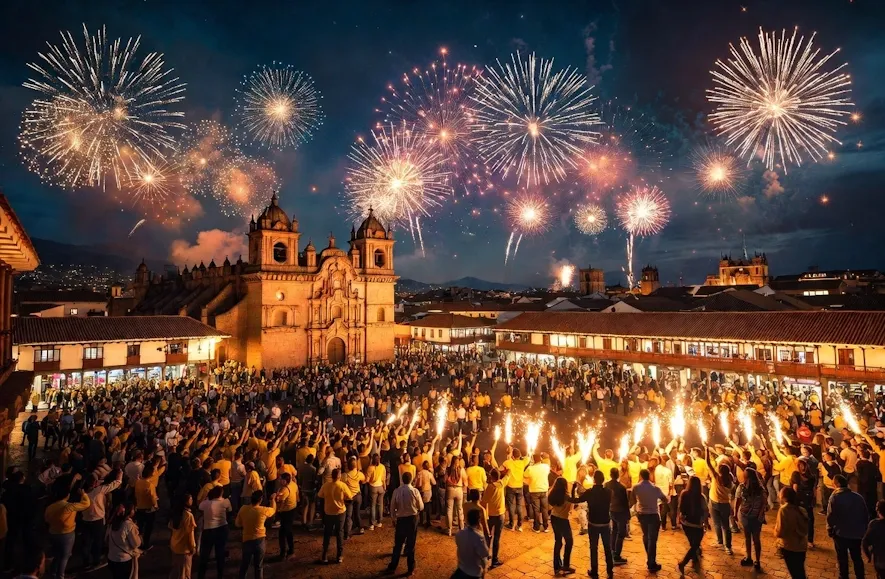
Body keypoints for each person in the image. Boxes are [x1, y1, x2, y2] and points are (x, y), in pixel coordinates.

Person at [44, 479, 91, 579]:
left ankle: (53, 573)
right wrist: (83, 494)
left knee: (57, 555)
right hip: (67, 534)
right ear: (67, 495)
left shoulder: (50, 507)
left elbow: (47, 519)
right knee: (65, 557)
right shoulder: (69, 507)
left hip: (53, 533)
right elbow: (86, 504)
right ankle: (61, 576)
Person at [571, 470, 613, 579]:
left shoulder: (590, 492)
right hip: (605, 523)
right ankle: (610, 571)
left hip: (593, 523)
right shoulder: (608, 492)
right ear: (603, 480)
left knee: (593, 548)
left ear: (594, 479)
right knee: (608, 548)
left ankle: (594, 571)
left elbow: (576, 500)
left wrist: (573, 489)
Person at [827, 474, 870, 579]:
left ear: (837, 484)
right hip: (856, 534)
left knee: (842, 559)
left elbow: (831, 516)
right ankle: (860, 576)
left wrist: (830, 529)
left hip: (841, 533)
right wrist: (863, 530)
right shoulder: (858, 497)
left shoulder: (835, 497)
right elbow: (866, 515)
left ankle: (843, 576)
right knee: (857, 558)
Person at [81, 468, 122, 569]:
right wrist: (120, 475)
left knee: (86, 542)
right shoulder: (98, 490)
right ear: (94, 483)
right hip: (97, 520)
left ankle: (85, 562)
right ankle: (96, 561)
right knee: (97, 541)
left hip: (85, 519)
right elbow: (116, 483)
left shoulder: (81, 493)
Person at [387, 471, 424, 576]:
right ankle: (410, 568)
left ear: (402, 480)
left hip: (401, 520)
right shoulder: (415, 491)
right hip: (412, 519)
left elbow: (392, 506)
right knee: (411, 544)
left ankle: (393, 566)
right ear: (411, 480)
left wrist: (393, 518)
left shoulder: (397, 491)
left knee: (398, 544)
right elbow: (421, 506)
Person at [235, 490, 276, 579]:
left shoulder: (243, 508)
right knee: (258, 566)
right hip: (259, 540)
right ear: (260, 500)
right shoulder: (263, 510)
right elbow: (273, 510)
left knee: (244, 564)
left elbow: (237, 524)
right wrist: (272, 500)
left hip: (247, 540)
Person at [633, 468, 667, 572]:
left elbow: (632, 500)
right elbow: (665, 499)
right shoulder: (655, 488)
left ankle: (650, 558)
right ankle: (651, 562)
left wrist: (636, 511)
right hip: (653, 514)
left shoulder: (636, 487)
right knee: (652, 539)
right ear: (649, 476)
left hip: (642, 514)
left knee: (646, 535)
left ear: (640, 476)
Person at [317, 468, 353, 564]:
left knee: (327, 533)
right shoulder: (342, 485)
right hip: (340, 512)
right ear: (339, 476)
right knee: (339, 533)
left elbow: (320, 495)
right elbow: (350, 497)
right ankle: (339, 556)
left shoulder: (326, 485)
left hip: (328, 512)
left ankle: (324, 555)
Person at [735, 466, 766, 571]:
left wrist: (735, 513)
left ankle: (752, 559)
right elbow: (738, 501)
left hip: (750, 517)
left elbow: (738, 501)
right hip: (751, 517)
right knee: (752, 538)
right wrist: (760, 515)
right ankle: (754, 559)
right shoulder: (758, 488)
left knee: (751, 538)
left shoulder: (745, 487)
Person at [676, 475, 708, 575]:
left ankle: (695, 558)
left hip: (686, 523)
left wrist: (680, 519)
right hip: (697, 524)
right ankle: (683, 563)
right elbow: (705, 510)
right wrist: (705, 522)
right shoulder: (701, 497)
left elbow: (680, 508)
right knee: (695, 545)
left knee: (692, 543)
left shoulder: (684, 494)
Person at [775, 487, 809, 579]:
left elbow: (780, 532)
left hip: (790, 546)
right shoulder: (801, 509)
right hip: (801, 546)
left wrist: (775, 532)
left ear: (784, 497)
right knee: (800, 571)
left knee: (795, 573)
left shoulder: (784, 510)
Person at [198, 485, 231, 579]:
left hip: (208, 530)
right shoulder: (225, 502)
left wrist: (206, 498)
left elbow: (200, 506)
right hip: (222, 528)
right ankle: (220, 575)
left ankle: (201, 575)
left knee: (205, 555)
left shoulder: (206, 503)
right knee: (220, 553)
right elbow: (230, 510)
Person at [706, 448, 735, 555]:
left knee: (717, 524)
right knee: (725, 526)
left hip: (714, 502)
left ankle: (720, 542)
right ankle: (728, 547)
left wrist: (706, 449)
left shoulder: (717, 478)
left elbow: (708, 463)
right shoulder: (730, 480)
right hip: (724, 504)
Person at [479, 468, 506, 569]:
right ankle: (494, 560)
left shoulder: (490, 487)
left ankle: (485, 558)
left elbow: (484, 502)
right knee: (497, 538)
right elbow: (508, 475)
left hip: (491, 515)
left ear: (492, 476)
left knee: (487, 537)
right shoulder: (502, 483)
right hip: (501, 514)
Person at [107, 503, 143, 579]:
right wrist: (139, 537)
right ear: (128, 512)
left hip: (111, 558)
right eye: (133, 509)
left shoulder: (113, 523)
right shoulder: (128, 525)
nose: (134, 510)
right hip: (124, 560)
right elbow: (135, 544)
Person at [547, 477, 575, 576]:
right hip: (563, 520)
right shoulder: (566, 496)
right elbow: (573, 503)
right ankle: (565, 565)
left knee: (558, 541)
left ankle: (557, 567)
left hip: (554, 518)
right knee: (569, 541)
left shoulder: (552, 494)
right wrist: (574, 489)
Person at [454, 508, 490, 579]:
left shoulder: (459, 534)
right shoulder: (479, 537)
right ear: (479, 521)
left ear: (467, 520)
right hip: (474, 573)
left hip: (461, 569)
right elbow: (485, 553)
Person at [604, 466, 629, 566]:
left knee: (614, 530)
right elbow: (625, 502)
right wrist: (627, 515)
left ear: (610, 475)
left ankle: (612, 551)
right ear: (618, 475)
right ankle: (617, 555)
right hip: (620, 511)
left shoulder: (606, 485)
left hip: (612, 510)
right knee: (621, 533)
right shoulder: (621, 487)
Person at [169, 494, 197, 579]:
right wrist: (192, 547)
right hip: (184, 548)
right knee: (185, 573)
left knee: (176, 571)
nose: (192, 500)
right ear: (186, 502)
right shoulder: (188, 516)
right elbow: (190, 533)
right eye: (190, 499)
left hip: (175, 546)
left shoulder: (175, 513)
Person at [275, 472, 298, 560]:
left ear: (285, 481)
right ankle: (289, 551)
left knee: (283, 533)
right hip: (292, 509)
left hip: (286, 512)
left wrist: (275, 498)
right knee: (288, 531)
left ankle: (284, 553)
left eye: (281, 479)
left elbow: (279, 501)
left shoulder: (284, 490)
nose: (279, 480)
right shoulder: (293, 484)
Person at [861, 499, 885, 578]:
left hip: (880, 561)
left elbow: (865, 542)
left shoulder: (874, 524)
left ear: (878, 510)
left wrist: (868, 556)